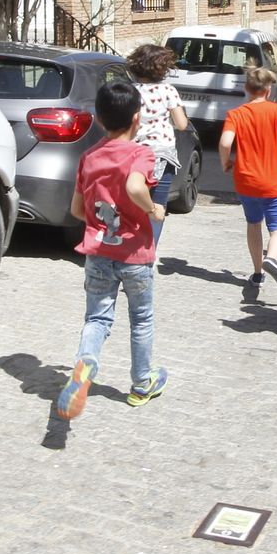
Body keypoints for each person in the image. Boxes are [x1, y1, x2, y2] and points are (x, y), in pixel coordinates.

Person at [54, 79, 168, 420]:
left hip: (99, 253)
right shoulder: (140, 154)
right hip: (135, 255)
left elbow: (76, 210)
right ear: (138, 118)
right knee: (142, 318)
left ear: (100, 120)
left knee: (97, 318)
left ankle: (86, 362)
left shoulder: (89, 158)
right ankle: (140, 384)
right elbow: (135, 185)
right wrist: (152, 209)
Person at [219, 65, 277, 301]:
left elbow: (225, 143)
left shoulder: (236, 114)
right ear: (269, 88)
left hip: (245, 180)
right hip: (272, 180)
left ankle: (257, 273)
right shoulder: (275, 110)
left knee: (253, 223)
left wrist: (225, 163)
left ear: (246, 88)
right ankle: (271, 259)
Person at [126, 44, 189, 246]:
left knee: (131, 203)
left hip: (132, 154)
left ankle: (128, 247)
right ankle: (148, 252)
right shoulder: (168, 91)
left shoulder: (129, 91)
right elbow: (181, 123)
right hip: (162, 154)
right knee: (157, 206)